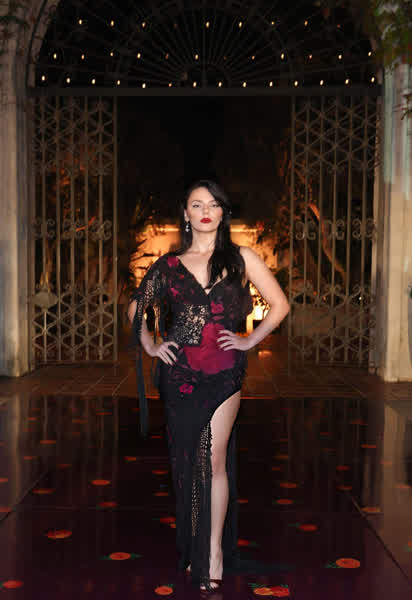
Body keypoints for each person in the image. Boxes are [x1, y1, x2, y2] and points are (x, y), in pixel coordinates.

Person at [128, 179, 289, 592]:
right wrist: (151, 344)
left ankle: (212, 551)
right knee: (186, 464)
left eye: (213, 204)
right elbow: (135, 308)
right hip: (179, 375)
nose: (205, 211)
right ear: (185, 213)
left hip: (223, 374)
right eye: (196, 204)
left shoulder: (242, 258)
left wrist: (249, 340)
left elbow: (280, 305)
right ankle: (194, 546)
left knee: (212, 460)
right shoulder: (168, 265)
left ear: (222, 212)